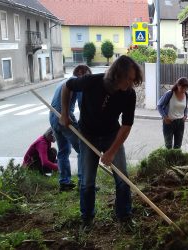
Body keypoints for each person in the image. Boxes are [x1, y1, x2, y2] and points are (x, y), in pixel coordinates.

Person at [60, 55, 143, 231]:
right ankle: (87, 218)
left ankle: (124, 215)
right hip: (87, 135)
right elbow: (67, 87)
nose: (130, 83)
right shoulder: (91, 81)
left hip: (112, 134)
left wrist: (111, 152)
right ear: (117, 74)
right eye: (128, 79)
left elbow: (126, 125)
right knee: (88, 180)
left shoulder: (129, 94)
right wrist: (65, 113)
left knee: (122, 178)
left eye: (133, 80)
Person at [50, 65, 91, 191]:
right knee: (83, 149)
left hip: (53, 117)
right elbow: (82, 104)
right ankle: (82, 181)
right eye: (88, 76)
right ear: (81, 72)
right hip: (65, 118)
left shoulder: (64, 81)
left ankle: (64, 182)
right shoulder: (76, 83)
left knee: (63, 151)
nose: (88, 81)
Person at [157, 77, 188, 149]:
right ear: (178, 85)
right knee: (168, 145)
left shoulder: (186, 95)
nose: (184, 90)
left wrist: (185, 115)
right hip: (169, 123)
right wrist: (164, 117)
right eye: (182, 88)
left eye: (186, 88)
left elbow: (185, 107)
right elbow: (159, 105)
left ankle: (176, 160)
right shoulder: (170, 93)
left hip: (180, 123)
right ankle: (169, 160)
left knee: (178, 146)